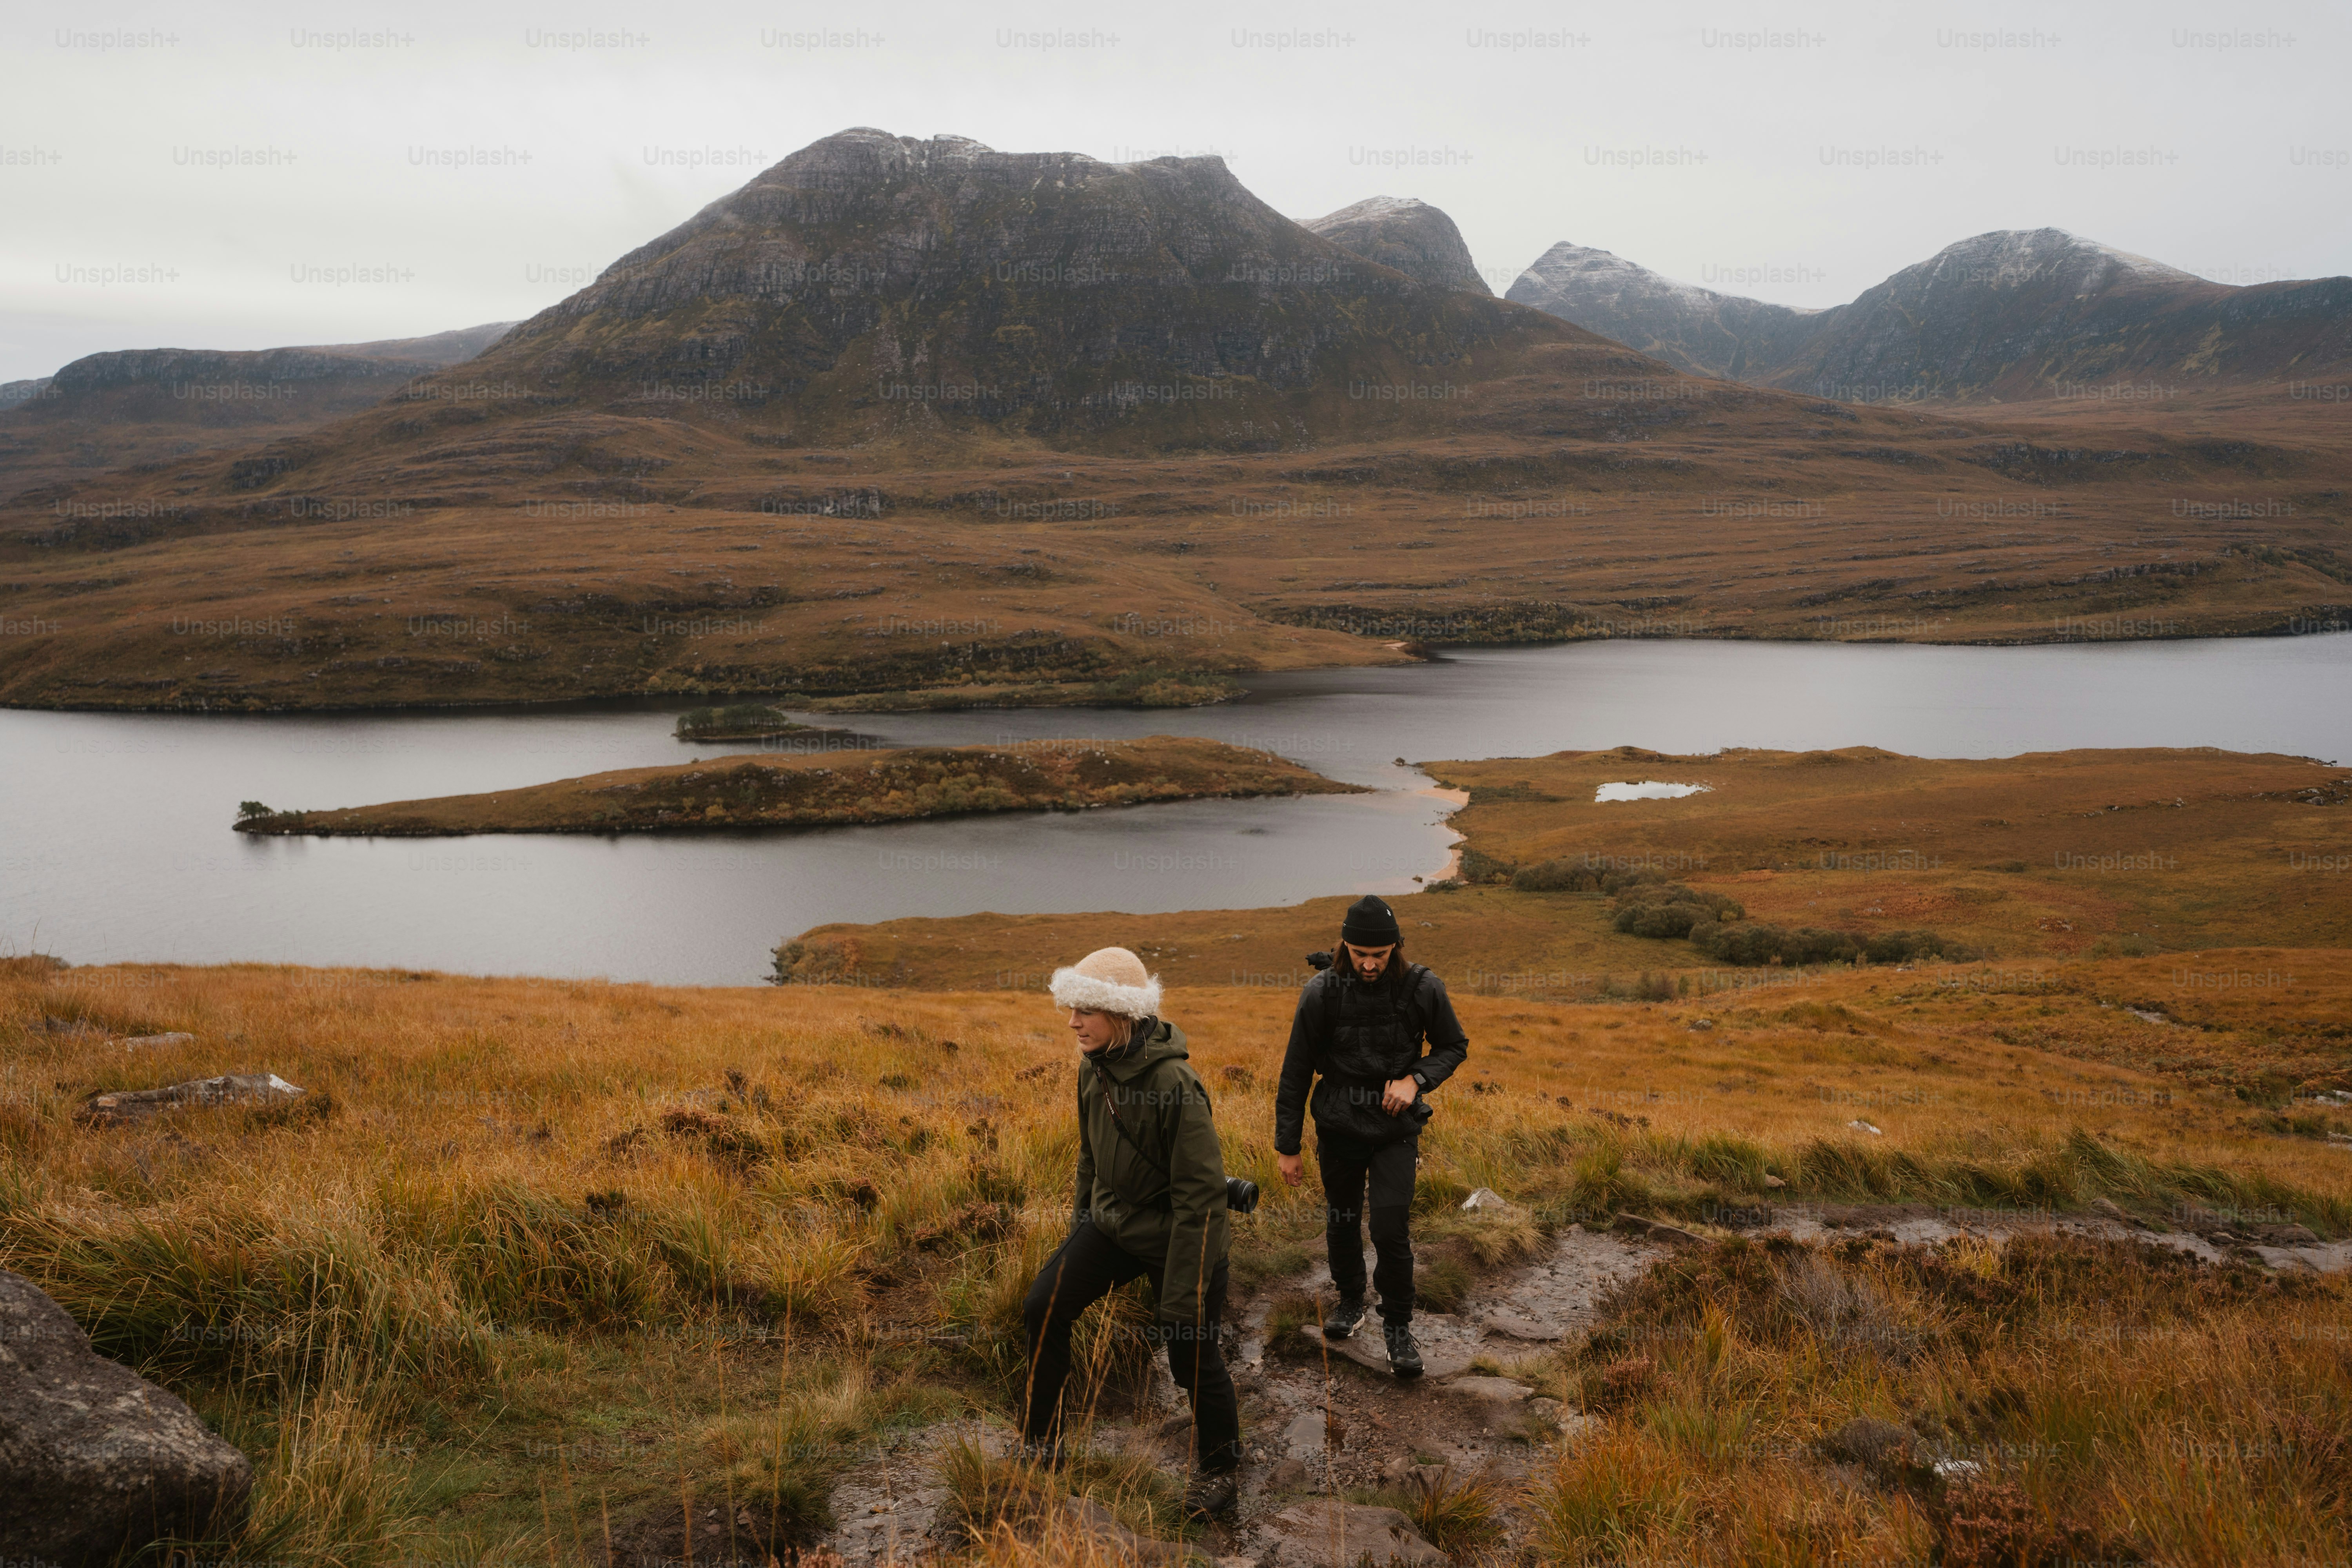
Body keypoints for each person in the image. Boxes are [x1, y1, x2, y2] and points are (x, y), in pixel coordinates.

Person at [1020, 946, 1241, 1519]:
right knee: (1044, 1304)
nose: (1072, 1022)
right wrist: (1076, 1241)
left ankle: (1221, 1470)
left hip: (1184, 1240)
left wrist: (1182, 1299)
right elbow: (1090, 1163)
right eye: (1070, 1009)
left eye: (1085, 1011)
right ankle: (1041, 1445)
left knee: (1191, 1350)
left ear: (1122, 1015)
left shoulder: (1176, 1083)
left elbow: (1201, 1200)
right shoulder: (1091, 1069)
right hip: (1116, 1226)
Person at [1272, 895, 1469, 1377]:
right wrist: (1288, 1146)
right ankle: (1351, 1301)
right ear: (1345, 944)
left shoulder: (1424, 988)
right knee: (1341, 1220)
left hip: (1395, 1130)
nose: (1369, 963)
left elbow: (1453, 1045)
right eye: (1360, 953)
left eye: (1379, 955)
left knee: (1388, 1226)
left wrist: (1415, 1079)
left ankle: (1398, 1327)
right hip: (1338, 1124)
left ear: (1396, 948)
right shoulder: (1322, 992)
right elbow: (1296, 1071)